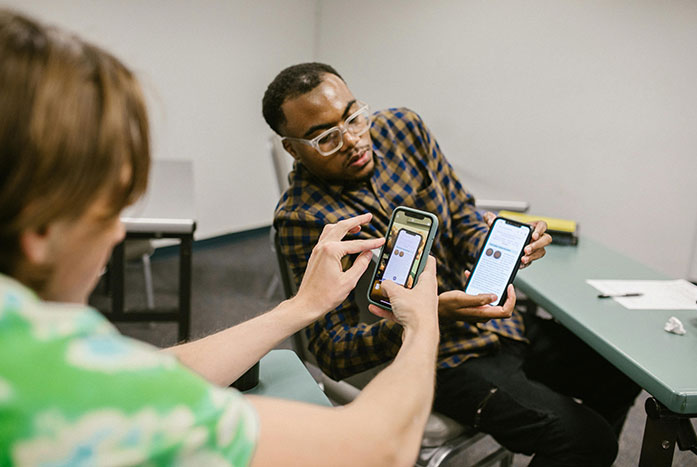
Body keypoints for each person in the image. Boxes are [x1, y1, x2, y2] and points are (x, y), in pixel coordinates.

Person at [0, 12, 442, 466]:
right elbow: (380, 448)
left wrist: (299, 308)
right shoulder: (66, 397)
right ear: (40, 228)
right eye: (111, 208)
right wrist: (423, 322)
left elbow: (148, 374)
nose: (117, 232)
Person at [263, 62, 641, 466]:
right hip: (431, 357)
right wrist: (426, 317)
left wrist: (500, 250)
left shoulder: (404, 130)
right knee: (585, 440)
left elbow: (461, 217)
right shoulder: (303, 218)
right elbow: (331, 352)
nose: (354, 141)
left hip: (496, 323)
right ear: (292, 148)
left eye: (354, 117)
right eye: (325, 138)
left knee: (620, 373)